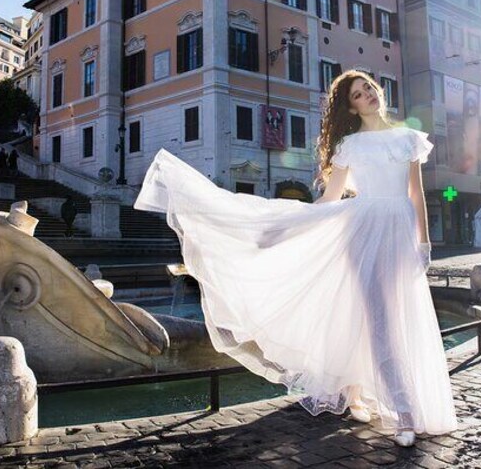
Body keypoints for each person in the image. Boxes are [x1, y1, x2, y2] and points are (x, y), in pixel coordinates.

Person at [134, 70, 457, 447]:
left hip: (400, 232)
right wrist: (280, 229)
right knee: (381, 322)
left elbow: (416, 195)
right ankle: (404, 414)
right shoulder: (349, 146)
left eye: (369, 87)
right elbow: (329, 200)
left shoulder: (408, 139)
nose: (367, 93)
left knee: (394, 317)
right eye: (357, 93)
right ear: (350, 107)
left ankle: (355, 391)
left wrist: (424, 243)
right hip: (363, 233)